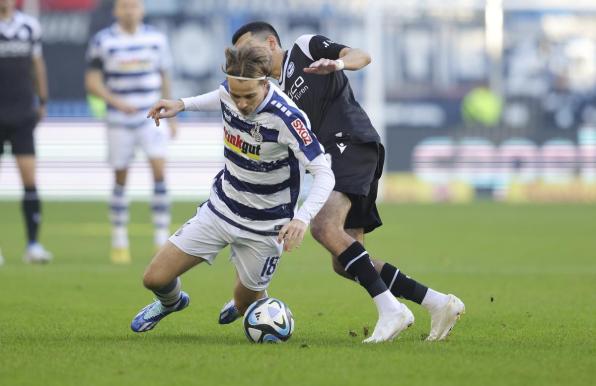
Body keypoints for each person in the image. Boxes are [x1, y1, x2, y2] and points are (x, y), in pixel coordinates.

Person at [149, 22, 465, 343]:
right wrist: (183, 104)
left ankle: (391, 310)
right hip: (338, 157)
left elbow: (362, 55)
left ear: (271, 43)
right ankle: (437, 303)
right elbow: (223, 94)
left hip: (349, 144)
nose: (247, 57)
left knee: (323, 228)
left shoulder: (304, 48)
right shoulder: (268, 92)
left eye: (251, 49)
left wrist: (339, 63)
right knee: (346, 262)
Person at [131, 44, 335, 333]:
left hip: (266, 227)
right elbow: (220, 96)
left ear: (265, 83)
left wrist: (302, 218)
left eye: (248, 96)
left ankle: (245, 304)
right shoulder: (230, 92)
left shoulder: (288, 118)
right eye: (235, 95)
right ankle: (171, 303)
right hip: (221, 209)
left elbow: (324, 173)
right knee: (153, 279)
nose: (240, 103)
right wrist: (181, 104)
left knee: (243, 303)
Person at [85, 0, 176, 264]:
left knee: (159, 173)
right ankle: (119, 240)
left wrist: (172, 115)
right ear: (116, 11)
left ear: (142, 9)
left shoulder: (157, 39)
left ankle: (161, 239)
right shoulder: (103, 41)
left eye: (134, 6)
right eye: (124, 6)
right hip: (119, 120)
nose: (129, 11)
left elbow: (165, 75)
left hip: (152, 117)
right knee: (120, 177)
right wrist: (116, 102)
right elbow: (92, 81)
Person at [0, 0, 52, 263]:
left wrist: (42, 99)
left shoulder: (29, 26)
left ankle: (33, 245)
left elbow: (37, 63)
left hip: (21, 113)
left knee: (29, 180)